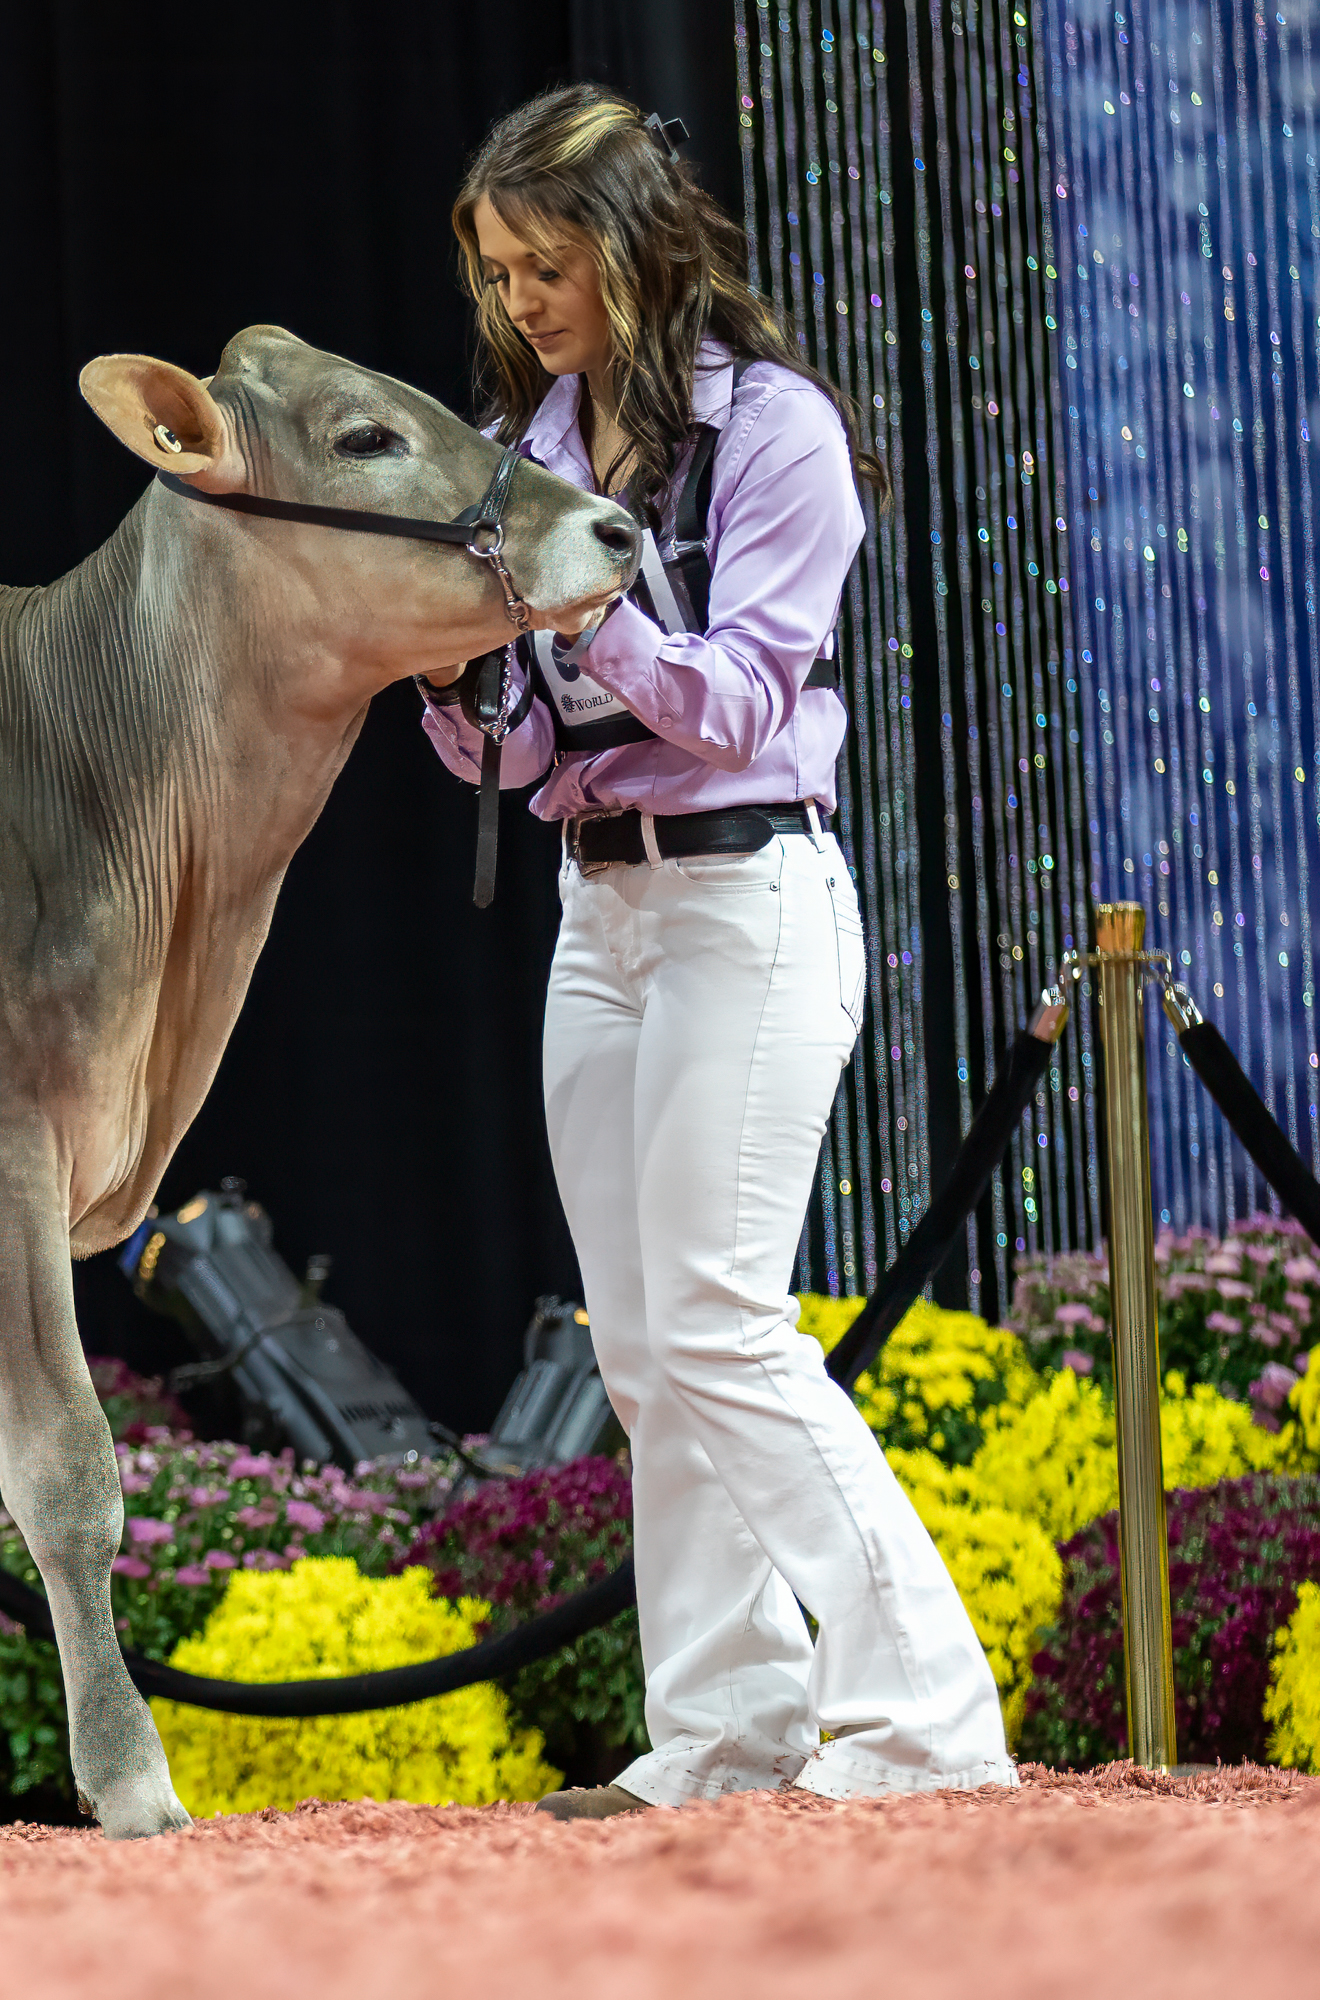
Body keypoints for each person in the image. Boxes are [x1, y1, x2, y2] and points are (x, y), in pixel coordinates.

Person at [418, 84, 1017, 1817]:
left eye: (545, 265)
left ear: (632, 247)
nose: (522, 301)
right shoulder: (528, 447)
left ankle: (927, 1722)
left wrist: (585, 605)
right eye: (500, 272)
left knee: (722, 1320)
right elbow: (522, 755)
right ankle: (723, 1734)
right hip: (598, 910)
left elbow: (746, 701)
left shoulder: (774, 430)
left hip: (748, 898)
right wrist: (458, 685)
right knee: (639, 1345)